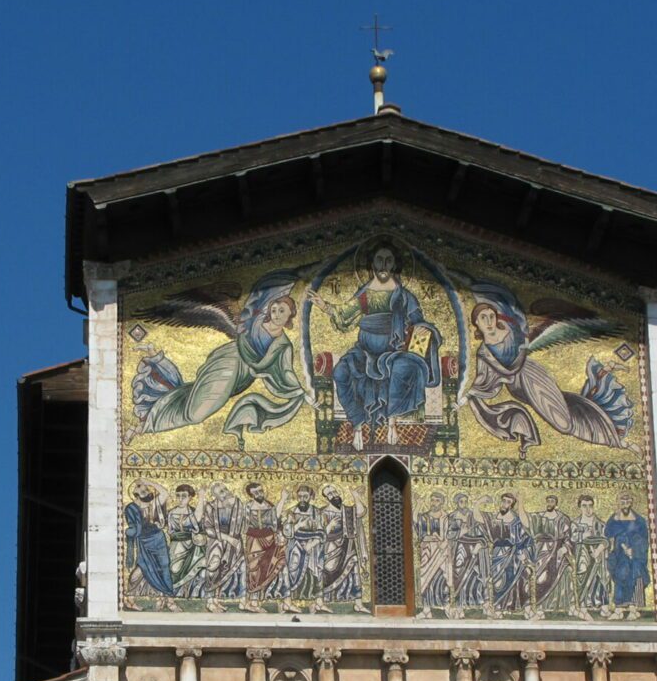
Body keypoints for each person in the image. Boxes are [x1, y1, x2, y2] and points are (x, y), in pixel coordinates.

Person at [131, 272, 308, 440]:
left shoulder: (283, 345)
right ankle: (147, 424)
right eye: (274, 309)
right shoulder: (252, 324)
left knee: (193, 397)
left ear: (290, 316)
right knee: (196, 414)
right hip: (229, 363)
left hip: (243, 378)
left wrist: (300, 392)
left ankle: (157, 368)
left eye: (282, 311)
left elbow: (286, 372)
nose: (276, 314)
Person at [463, 295, 630, 452]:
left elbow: (543, 331)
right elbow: (483, 381)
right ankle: (608, 435)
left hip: (533, 377)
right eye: (483, 318)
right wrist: (467, 397)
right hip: (518, 389)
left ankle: (609, 438)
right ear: (476, 322)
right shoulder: (484, 353)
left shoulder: (512, 333)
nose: (489, 321)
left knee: (563, 424)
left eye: (491, 316)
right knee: (564, 412)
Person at [313, 243, 440, 448]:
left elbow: (418, 321)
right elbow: (345, 314)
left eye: (388, 260)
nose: (383, 265)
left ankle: (392, 422)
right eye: (379, 260)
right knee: (340, 373)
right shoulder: (365, 294)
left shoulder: (404, 296)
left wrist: (425, 330)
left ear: (395, 265)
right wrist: (325, 306)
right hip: (364, 351)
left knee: (404, 369)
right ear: (371, 264)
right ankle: (357, 425)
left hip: (394, 352)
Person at [280, 487, 329, 611]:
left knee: (316, 573)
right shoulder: (291, 512)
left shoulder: (317, 513)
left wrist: (311, 544)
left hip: (313, 548)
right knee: (292, 571)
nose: (302, 499)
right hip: (294, 546)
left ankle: (318, 603)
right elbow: (286, 531)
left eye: (305, 496)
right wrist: (297, 525)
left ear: (311, 497)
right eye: (300, 496)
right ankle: (287, 602)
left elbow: (322, 532)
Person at [124, 481, 174, 599]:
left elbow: (165, 493)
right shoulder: (131, 508)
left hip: (158, 540)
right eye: (143, 492)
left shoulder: (153, 504)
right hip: (144, 543)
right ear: (136, 495)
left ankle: (168, 596)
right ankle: (129, 597)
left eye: (147, 490)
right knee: (141, 569)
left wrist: (148, 482)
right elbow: (133, 528)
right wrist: (130, 532)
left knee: (164, 567)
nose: (147, 492)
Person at [198, 483, 245, 610]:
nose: (225, 492)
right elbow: (208, 529)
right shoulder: (211, 507)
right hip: (217, 541)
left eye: (225, 489)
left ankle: (216, 600)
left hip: (234, 542)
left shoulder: (237, 505)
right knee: (213, 568)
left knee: (225, 570)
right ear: (215, 496)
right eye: (221, 491)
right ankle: (210, 602)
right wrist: (228, 539)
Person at [604, 493, 651, 618]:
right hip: (620, 555)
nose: (625, 505)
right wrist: (615, 518)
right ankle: (619, 609)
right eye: (622, 502)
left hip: (635, 557)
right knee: (620, 576)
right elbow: (608, 533)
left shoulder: (639, 521)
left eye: (627, 502)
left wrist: (634, 551)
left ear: (631, 503)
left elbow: (644, 540)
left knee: (635, 577)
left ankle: (633, 609)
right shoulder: (615, 519)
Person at [529, 495, 576, 616]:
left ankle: (565, 605)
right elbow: (530, 528)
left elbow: (568, 537)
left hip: (558, 551)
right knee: (541, 576)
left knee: (566, 571)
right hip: (542, 551)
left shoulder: (563, 519)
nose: (550, 503)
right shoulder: (540, 517)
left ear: (556, 504)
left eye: (552, 501)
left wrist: (565, 548)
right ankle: (540, 606)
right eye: (548, 501)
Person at [240, 481, 283, 607]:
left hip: (270, 539)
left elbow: (276, 520)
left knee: (269, 566)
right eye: (255, 492)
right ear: (251, 495)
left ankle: (264, 597)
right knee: (254, 569)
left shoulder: (269, 505)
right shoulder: (247, 507)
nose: (259, 494)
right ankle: (252, 600)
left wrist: (283, 499)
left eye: (260, 490)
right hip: (254, 540)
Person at [568, 493, 610, 620]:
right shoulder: (575, 523)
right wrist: (584, 536)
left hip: (599, 557)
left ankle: (603, 607)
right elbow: (573, 538)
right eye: (584, 506)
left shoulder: (600, 524)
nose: (588, 509)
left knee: (602, 578)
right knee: (583, 577)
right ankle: (581, 606)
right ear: (579, 507)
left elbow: (606, 540)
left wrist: (598, 550)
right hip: (583, 555)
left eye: (590, 506)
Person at [320, 486, 365, 604]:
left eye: (334, 491)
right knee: (329, 571)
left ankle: (357, 603)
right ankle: (328, 600)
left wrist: (355, 495)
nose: (333, 495)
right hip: (330, 548)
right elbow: (319, 533)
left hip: (348, 546)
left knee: (353, 568)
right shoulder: (323, 512)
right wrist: (330, 525)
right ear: (326, 498)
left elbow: (361, 512)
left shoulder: (347, 510)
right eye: (329, 494)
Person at [415, 491, 451, 616]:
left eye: (436, 500)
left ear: (442, 502)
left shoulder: (446, 518)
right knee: (426, 579)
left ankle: (446, 606)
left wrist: (443, 542)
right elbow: (417, 526)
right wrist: (418, 504)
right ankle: (426, 609)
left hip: (441, 552)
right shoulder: (424, 517)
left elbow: (450, 535)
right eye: (432, 500)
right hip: (427, 552)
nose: (433, 503)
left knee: (442, 579)